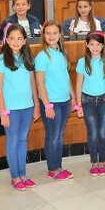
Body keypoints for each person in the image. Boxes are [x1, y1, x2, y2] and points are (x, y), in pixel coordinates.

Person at [0, 23, 40, 191]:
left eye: (19, 38)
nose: (15, 41)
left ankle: (23, 174)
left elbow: (33, 83)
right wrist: (3, 112)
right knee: (13, 141)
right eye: (12, 38)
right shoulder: (0, 61)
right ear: (6, 40)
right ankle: (15, 176)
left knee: (22, 140)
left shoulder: (28, 58)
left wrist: (36, 105)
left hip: (27, 107)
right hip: (10, 109)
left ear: (25, 41)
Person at [73, 32, 105, 176]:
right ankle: (94, 162)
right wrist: (79, 105)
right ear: (87, 45)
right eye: (92, 44)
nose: (95, 47)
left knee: (103, 133)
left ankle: (102, 161)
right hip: (88, 101)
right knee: (92, 133)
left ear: (103, 46)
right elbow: (78, 84)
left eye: (98, 44)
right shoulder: (82, 62)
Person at [33, 20, 73, 179]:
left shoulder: (62, 53)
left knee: (60, 135)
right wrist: (47, 105)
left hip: (65, 101)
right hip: (52, 103)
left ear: (60, 35)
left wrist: (73, 96)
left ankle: (59, 166)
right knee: (52, 136)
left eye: (55, 33)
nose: (51, 36)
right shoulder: (42, 57)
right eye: (48, 33)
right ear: (43, 35)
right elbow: (39, 83)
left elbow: (66, 76)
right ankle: (53, 169)